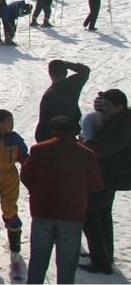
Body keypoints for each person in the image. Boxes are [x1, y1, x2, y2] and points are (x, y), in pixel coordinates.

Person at [21, 116, 103, 283]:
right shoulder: (86, 154)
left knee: (38, 259)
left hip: (43, 211)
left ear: (52, 131)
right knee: (67, 262)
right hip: (72, 213)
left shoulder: (38, 150)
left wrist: (37, 191)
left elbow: (25, 176)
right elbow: (96, 185)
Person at [81, 88, 131, 275]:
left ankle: (101, 261)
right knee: (102, 215)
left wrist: (86, 142)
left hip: (110, 176)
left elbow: (100, 150)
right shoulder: (119, 119)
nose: (105, 109)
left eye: (108, 106)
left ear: (120, 107)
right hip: (112, 175)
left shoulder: (122, 126)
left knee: (89, 217)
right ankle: (104, 254)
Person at [0, 110, 29, 278]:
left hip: (9, 180)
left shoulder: (16, 140)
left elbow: (25, 159)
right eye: (9, 121)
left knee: (10, 212)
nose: (12, 124)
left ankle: (15, 251)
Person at [34, 60, 90, 143]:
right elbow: (85, 70)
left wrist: (40, 138)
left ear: (50, 74)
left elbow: (44, 121)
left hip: (53, 136)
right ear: (66, 72)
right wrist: (67, 64)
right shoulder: (73, 85)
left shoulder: (48, 96)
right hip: (71, 131)